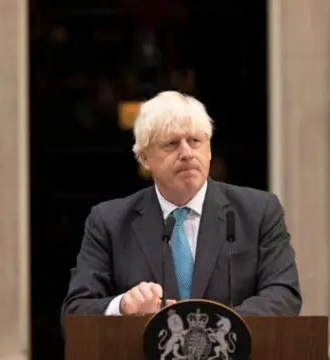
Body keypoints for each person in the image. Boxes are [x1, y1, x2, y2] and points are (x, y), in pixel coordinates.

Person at [60, 91, 301, 320]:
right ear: (145, 158)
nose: (186, 153)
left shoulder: (259, 212)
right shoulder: (109, 222)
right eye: (172, 144)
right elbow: (75, 311)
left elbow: (283, 295)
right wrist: (123, 306)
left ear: (209, 150)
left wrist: (214, 328)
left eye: (195, 141)